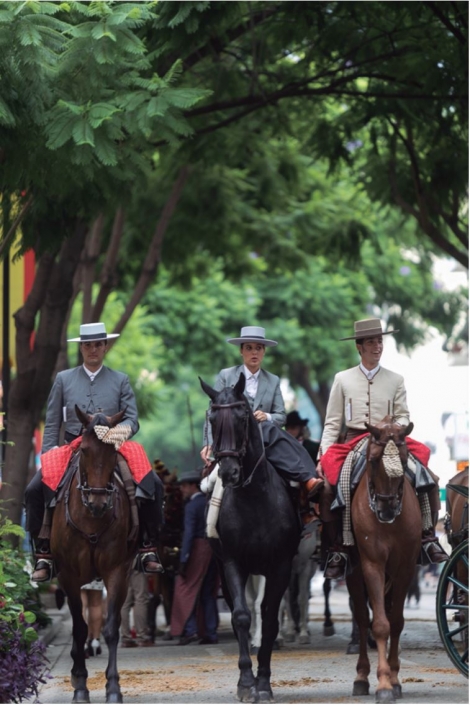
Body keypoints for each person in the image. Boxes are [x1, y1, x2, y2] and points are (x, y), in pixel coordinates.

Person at [24, 322, 164, 581]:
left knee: (152, 483)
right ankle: (44, 553)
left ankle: (148, 547)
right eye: (87, 345)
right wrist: (48, 456)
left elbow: (132, 420)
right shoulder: (63, 379)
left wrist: (112, 435)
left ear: (105, 347)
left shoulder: (120, 379)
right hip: (73, 446)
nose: (93, 349)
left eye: (98, 344)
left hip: (112, 447)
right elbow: (53, 422)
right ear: (82, 348)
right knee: (34, 489)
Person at [317, 317, 449, 580]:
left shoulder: (396, 379)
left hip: (391, 440)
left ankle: (427, 536)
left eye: (379, 341)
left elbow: (404, 415)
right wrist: (322, 455)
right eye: (371, 342)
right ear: (359, 346)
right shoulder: (342, 379)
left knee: (425, 476)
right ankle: (339, 546)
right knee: (334, 481)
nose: (377, 346)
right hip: (356, 440)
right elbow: (333, 422)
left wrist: (391, 428)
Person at [200, 326, 323, 498]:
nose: (254, 353)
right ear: (241, 351)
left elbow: (281, 416)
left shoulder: (273, 380)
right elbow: (213, 413)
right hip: (233, 439)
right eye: (249, 348)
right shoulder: (226, 375)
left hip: (263, 438)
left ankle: (306, 482)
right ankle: (211, 524)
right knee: (211, 489)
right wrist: (208, 443)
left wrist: (268, 416)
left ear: (264, 352)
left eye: (258, 348)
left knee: (271, 430)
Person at [170, 470, 219, 645]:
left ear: (192, 486)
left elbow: (189, 534)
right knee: (207, 593)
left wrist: (184, 559)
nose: (182, 490)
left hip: (197, 548)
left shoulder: (192, 506)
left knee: (184, 590)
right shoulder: (209, 502)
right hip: (213, 548)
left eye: (183, 486)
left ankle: (190, 630)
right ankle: (210, 632)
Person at [120, 569, 153, 648]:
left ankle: (125, 637)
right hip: (137, 562)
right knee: (140, 599)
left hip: (121, 564)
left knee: (124, 602)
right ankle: (142, 636)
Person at [81, 578, 105, 657]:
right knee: (96, 605)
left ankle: (83, 643)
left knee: (81, 604)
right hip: (95, 573)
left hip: (78, 572)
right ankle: (95, 640)